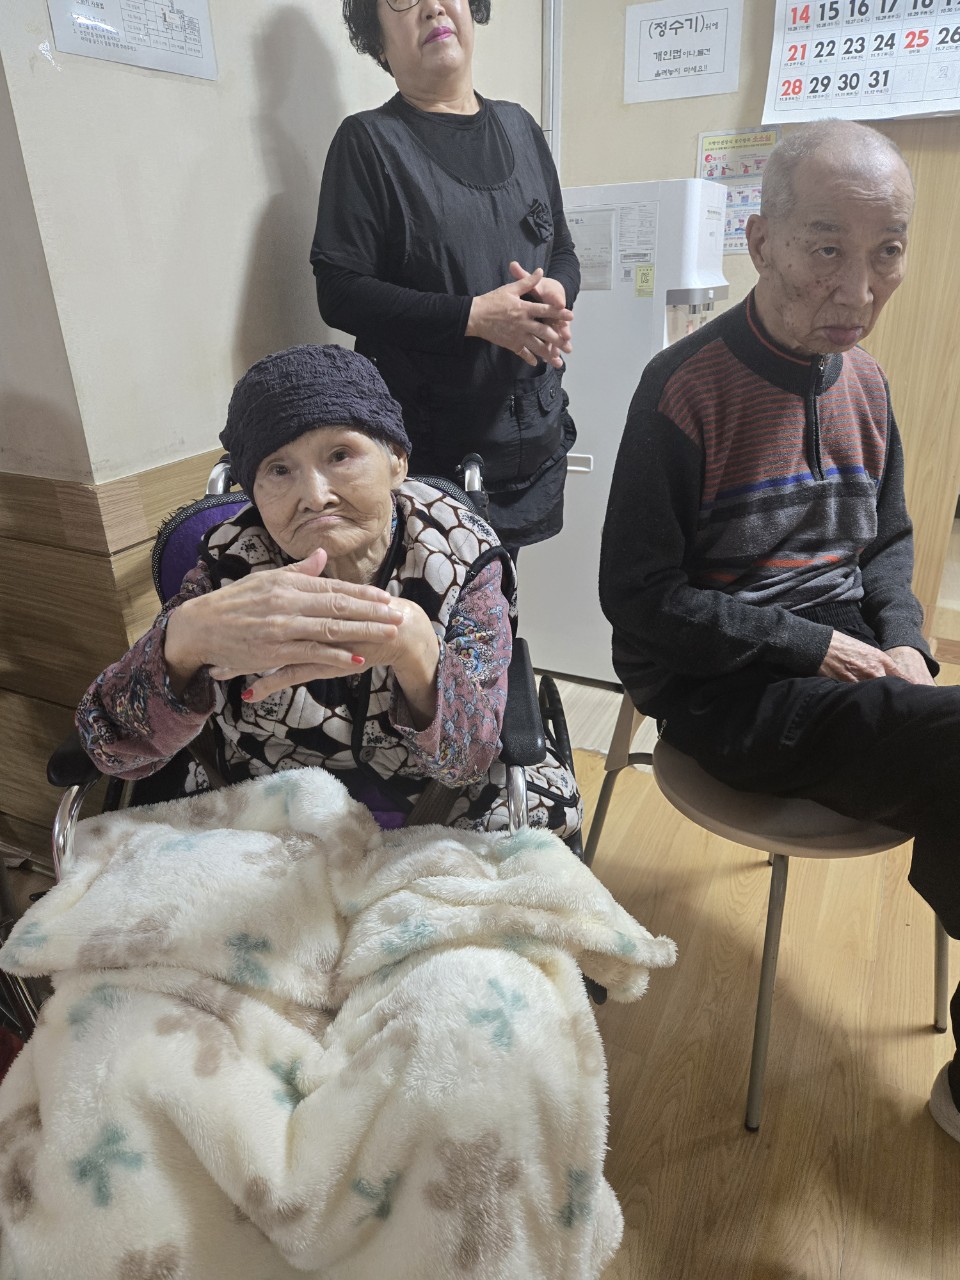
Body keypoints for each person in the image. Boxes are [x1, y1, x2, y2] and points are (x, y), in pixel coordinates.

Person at [598, 121, 960, 1138]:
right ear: (761, 243)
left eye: (887, 251)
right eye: (826, 247)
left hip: (846, 657)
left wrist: (906, 642)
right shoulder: (683, 388)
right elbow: (637, 597)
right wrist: (813, 646)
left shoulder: (869, 384)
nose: (858, 289)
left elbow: (888, 541)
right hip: (722, 683)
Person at [77, 344, 580, 836]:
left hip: (435, 803)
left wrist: (416, 650)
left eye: (341, 455)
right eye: (279, 470)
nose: (315, 497)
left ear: (397, 460)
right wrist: (180, 645)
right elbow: (109, 747)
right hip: (271, 806)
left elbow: (470, 760)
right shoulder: (228, 567)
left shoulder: (464, 558)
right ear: (253, 491)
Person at [309, 0, 579, 554]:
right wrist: (472, 317)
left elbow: (563, 251)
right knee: (429, 599)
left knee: (501, 595)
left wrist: (556, 291)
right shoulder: (367, 142)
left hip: (527, 432)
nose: (433, 7)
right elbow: (339, 291)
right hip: (425, 451)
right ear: (377, 39)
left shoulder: (521, 128)